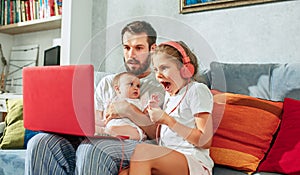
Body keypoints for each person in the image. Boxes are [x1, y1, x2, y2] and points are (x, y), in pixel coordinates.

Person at [25, 20, 164, 175]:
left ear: (153, 49)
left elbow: (159, 135)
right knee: (39, 143)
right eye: (126, 48)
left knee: (91, 149)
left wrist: (128, 110)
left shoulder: (161, 86)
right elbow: (95, 119)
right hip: (96, 138)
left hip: (132, 144)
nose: (131, 54)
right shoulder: (107, 82)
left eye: (139, 48)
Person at [121, 41, 214, 175]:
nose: (158, 75)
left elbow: (204, 141)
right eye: (156, 69)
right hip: (170, 160)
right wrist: (154, 116)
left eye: (164, 68)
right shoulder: (170, 96)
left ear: (185, 69)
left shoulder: (197, 90)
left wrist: (167, 120)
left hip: (194, 161)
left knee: (143, 151)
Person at [97, 72, 148, 141]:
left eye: (138, 86)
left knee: (113, 130)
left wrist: (153, 104)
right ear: (118, 89)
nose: (136, 88)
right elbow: (106, 117)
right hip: (112, 126)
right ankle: (105, 133)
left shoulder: (138, 102)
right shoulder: (112, 102)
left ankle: (106, 133)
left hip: (132, 129)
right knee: (108, 129)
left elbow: (145, 115)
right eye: (131, 84)